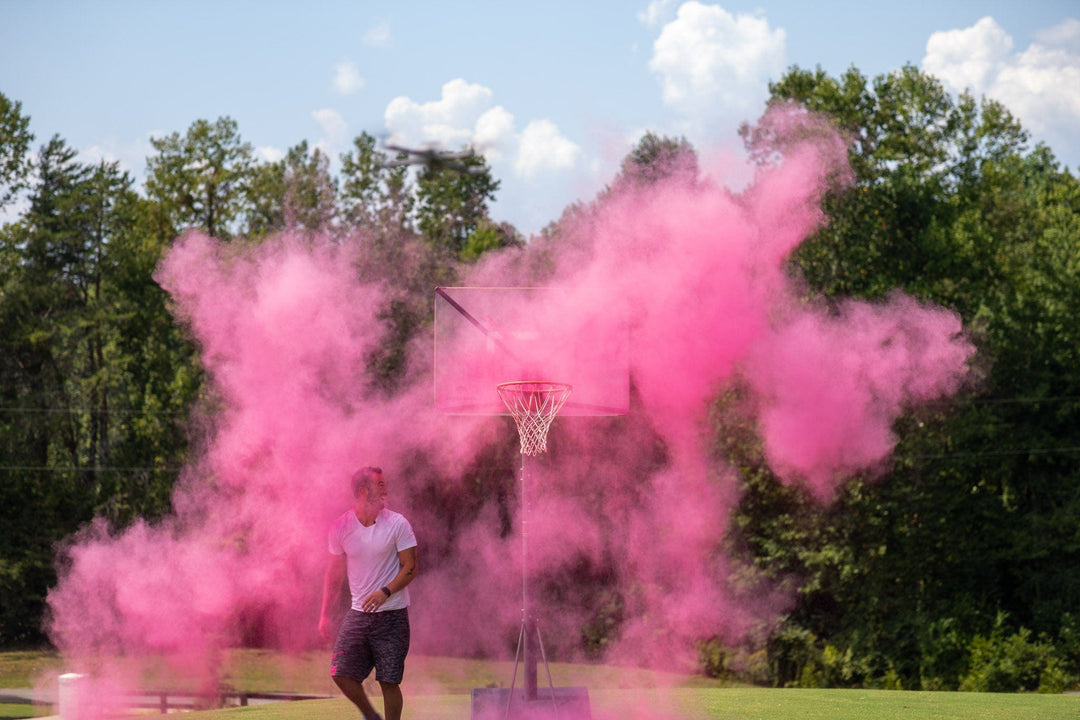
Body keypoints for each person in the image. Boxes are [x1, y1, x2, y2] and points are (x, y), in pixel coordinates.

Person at [319, 466, 418, 720]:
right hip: (358, 615)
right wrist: (325, 615)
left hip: (392, 615)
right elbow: (334, 574)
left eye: (385, 484)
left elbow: (411, 567)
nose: (386, 489)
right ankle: (371, 716)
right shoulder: (341, 527)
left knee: (388, 681)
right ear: (363, 491)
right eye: (380, 485)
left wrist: (385, 592)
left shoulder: (397, 523)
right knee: (340, 673)